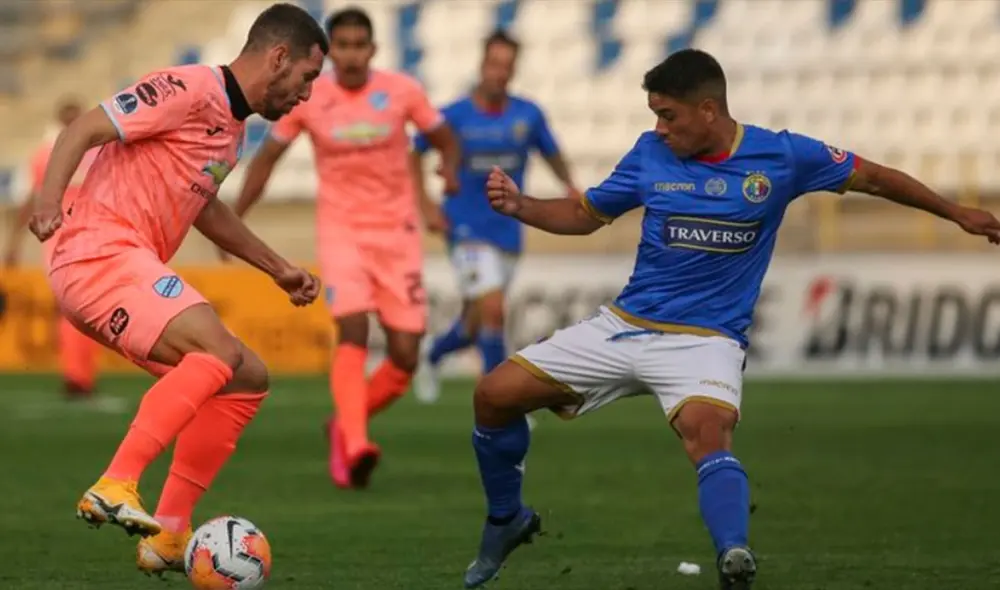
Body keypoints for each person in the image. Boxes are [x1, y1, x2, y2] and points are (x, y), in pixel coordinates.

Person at [462, 49, 1000, 590]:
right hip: (626, 324)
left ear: (709, 110)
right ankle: (507, 519)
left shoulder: (782, 156)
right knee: (493, 395)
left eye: (668, 115)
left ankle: (733, 555)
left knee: (708, 433)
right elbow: (584, 215)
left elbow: (876, 179)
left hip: (707, 340)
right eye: (655, 115)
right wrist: (521, 205)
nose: (659, 128)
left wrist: (956, 214)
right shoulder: (650, 153)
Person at [28, 2, 327, 575]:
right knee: (216, 349)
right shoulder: (187, 88)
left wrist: (276, 266)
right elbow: (84, 127)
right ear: (279, 57)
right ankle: (117, 481)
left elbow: (203, 207)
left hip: (120, 264)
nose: (306, 95)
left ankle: (167, 536)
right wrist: (47, 200)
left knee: (245, 377)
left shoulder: (233, 132)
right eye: (306, 78)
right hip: (97, 251)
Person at [231, 7, 459, 490]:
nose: (353, 55)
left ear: (373, 50)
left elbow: (443, 137)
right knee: (352, 330)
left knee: (405, 355)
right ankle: (355, 442)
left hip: (396, 235)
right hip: (343, 233)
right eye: (344, 46)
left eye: (361, 45)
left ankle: (343, 423)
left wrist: (449, 176)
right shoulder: (312, 98)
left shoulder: (402, 91)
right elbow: (268, 157)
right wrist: (236, 218)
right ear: (332, 52)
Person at [411, 29, 580, 405]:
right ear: (482, 64)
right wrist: (426, 206)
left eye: (507, 66)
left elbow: (551, 152)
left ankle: (434, 355)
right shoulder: (453, 115)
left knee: (476, 323)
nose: (499, 73)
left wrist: (571, 186)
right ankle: (501, 401)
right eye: (494, 64)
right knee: (493, 309)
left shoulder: (528, 115)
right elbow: (414, 152)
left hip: (507, 228)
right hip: (465, 226)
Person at [4, 99, 103, 401]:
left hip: (90, 235)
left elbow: (31, 199)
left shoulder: (64, 152)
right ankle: (78, 375)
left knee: (85, 307)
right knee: (79, 307)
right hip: (69, 236)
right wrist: (14, 243)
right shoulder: (87, 151)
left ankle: (80, 374)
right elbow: (32, 199)